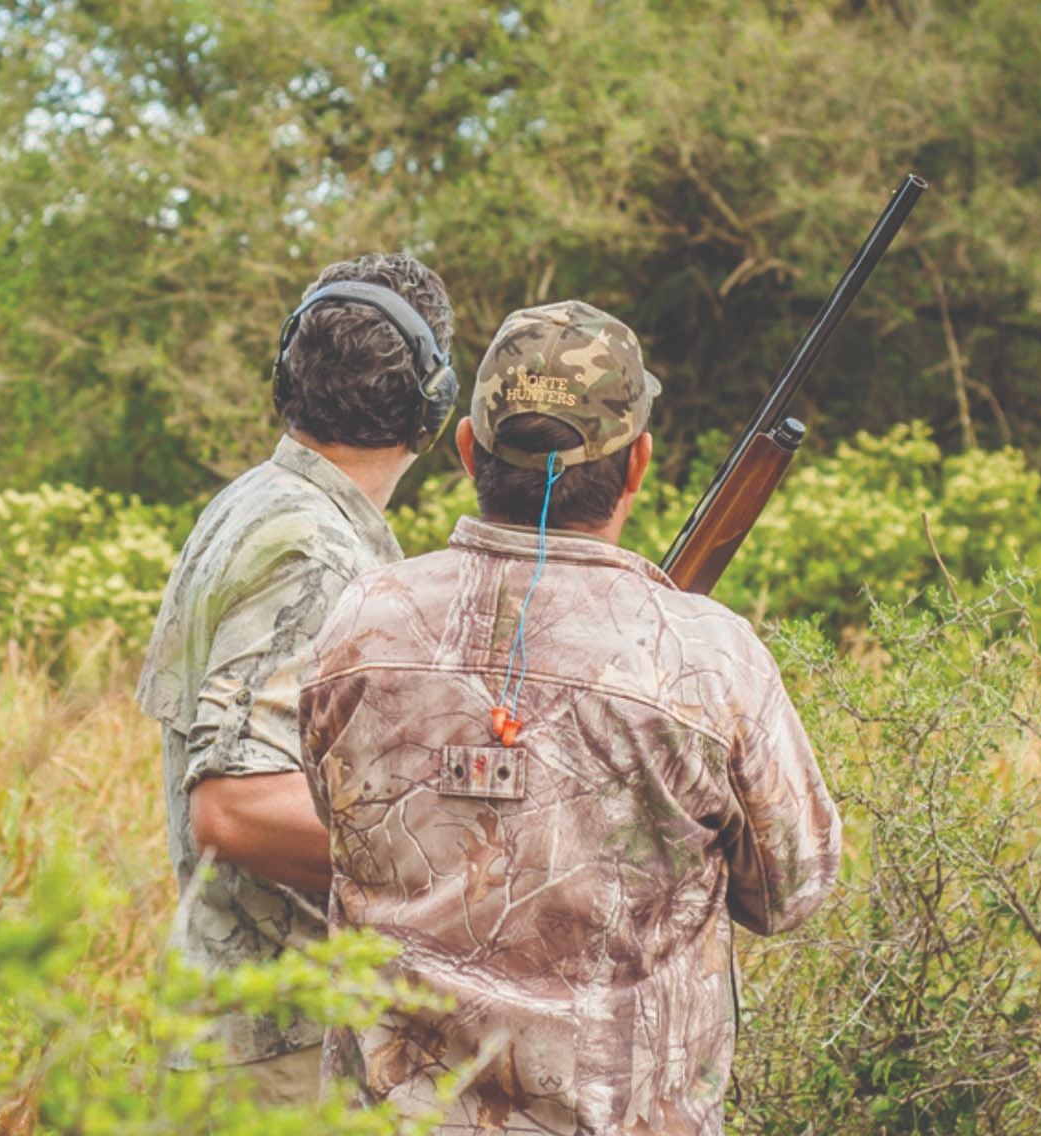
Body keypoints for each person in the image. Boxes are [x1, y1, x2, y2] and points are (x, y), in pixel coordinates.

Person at [298, 300, 841, 1133]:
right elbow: (790, 893)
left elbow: (332, 819)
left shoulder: (361, 622)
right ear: (639, 464)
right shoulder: (709, 657)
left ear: (469, 450)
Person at [135, 252, 455, 1104]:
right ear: (432, 406)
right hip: (281, 1054)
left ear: (288, 375)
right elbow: (233, 807)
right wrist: (450, 848)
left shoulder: (258, 504)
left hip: (245, 1033)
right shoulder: (311, 552)